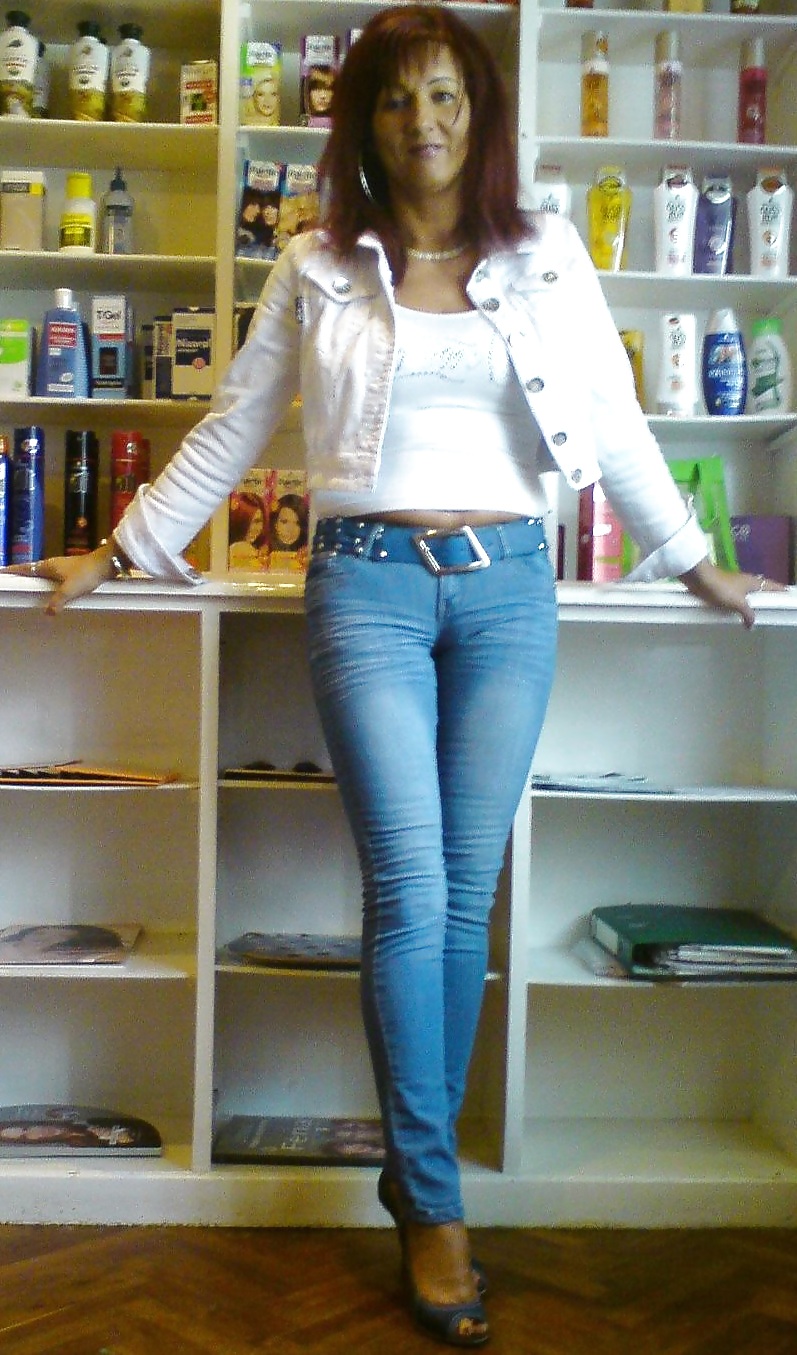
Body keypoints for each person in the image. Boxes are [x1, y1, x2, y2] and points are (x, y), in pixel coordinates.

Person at [5, 4, 783, 1345]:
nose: (423, 121)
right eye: (394, 99)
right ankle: (432, 1204)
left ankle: (416, 1174)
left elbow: (611, 416)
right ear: (361, 122)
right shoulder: (315, 262)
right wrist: (122, 546)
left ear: (478, 116)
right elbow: (237, 420)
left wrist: (690, 558)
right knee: (412, 888)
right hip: (364, 583)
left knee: (465, 894)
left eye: (444, 96)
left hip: (509, 586)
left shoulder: (545, 255)